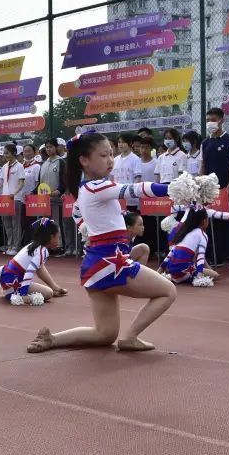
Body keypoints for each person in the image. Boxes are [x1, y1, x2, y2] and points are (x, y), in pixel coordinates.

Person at [28, 133, 177, 354]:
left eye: (112, 154)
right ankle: (131, 336)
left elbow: (82, 216)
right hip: (111, 264)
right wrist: (178, 187)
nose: (110, 160)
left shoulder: (84, 190)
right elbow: (136, 189)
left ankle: (53, 339)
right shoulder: (96, 187)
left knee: (104, 334)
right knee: (168, 291)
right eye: (104, 155)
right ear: (84, 160)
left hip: (96, 266)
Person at [201, 108, 229, 268]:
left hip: (227, 188)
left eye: (214, 119)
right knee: (213, 223)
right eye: (208, 119)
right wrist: (201, 185)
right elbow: (203, 165)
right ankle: (216, 257)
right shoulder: (205, 143)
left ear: (221, 120)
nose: (211, 122)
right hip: (211, 190)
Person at [0, 218, 68, 305]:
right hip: (13, 281)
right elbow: (29, 272)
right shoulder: (41, 251)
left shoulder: (35, 246)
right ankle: (18, 296)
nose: (59, 239)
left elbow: (38, 269)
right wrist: (23, 295)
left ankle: (55, 287)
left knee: (40, 265)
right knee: (48, 293)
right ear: (51, 237)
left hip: (7, 277)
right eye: (58, 237)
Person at [0, 144, 24, 255]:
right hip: (5, 199)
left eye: (7, 153)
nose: (5, 155)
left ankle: (16, 246)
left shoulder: (19, 166)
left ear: (14, 153)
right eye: (4, 153)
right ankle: (9, 245)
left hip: (15, 198)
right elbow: (0, 183)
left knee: (15, 224)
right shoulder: (4, 167)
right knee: (7, 224)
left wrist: (15, 192)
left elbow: (21, 182)